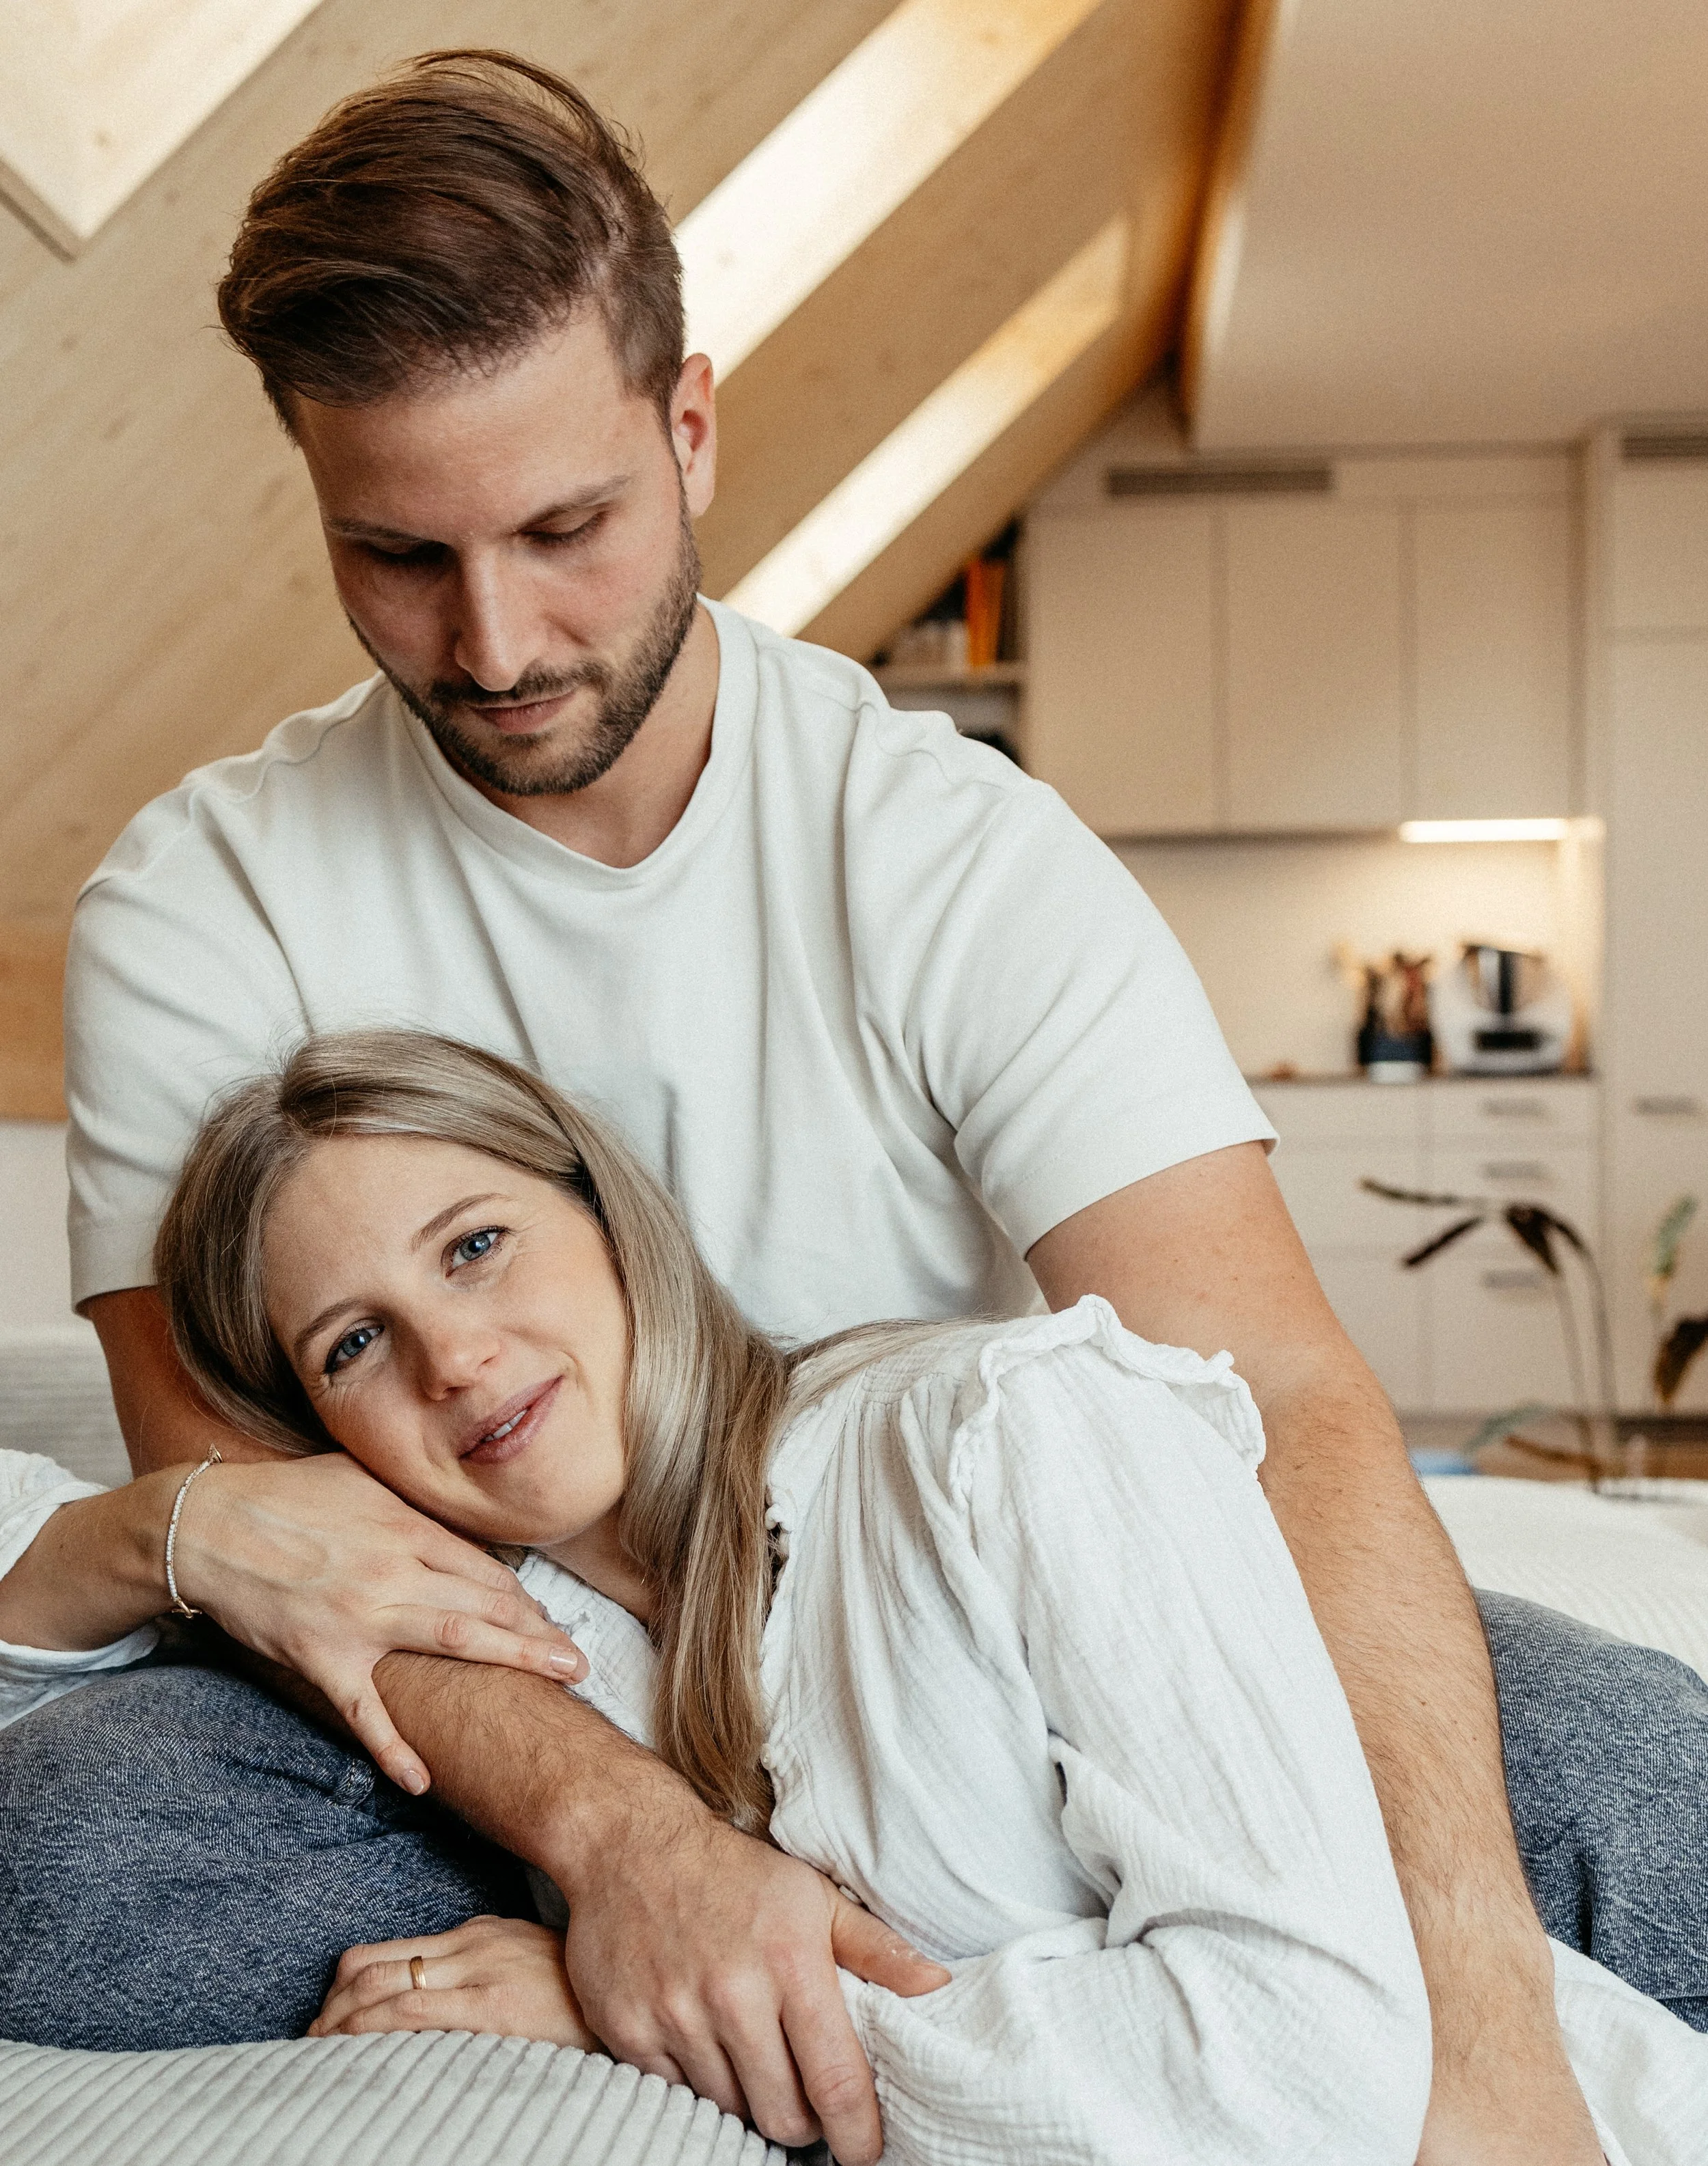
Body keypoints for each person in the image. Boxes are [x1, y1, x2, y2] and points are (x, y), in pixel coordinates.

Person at [45, 44, 1708, 2166]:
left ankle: (833, 1951)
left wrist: (1482, 2049)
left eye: (567, 527)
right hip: (529, 1687)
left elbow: (1267, 1382)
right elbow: (259, 1509)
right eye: (398, 556)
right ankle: (868, 1971)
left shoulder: (945, 851)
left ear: (691, 424)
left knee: (1627, 1781)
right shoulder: (203, 893)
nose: (495, 640)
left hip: (971, 1655)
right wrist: (631, 1844)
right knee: (86, 1857)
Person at [3, 1032, 1705, 2166]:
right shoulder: (519, 1661)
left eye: (475, 1245)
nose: (457, 1354)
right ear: (324, 1438)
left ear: (611, 1221)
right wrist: (165, 1529)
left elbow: (1305, 2068)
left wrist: (645, 2013)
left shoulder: (997, 1433)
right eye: (353, 1343)